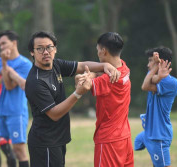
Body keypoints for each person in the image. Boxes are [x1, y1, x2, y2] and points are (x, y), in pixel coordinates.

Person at [25, 31, 120, 167]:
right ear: (32, 53)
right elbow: (54, 114)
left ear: (55, 49)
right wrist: (77, 93)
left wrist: (104, 66)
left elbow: (81, 66)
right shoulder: (35, 81)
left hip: (57, 140)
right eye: (40, 48)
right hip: (44, 143)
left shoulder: (55, 65)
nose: (45, 52)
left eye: (49, 47)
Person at [75, 32, 134, 167]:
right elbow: (101, 72)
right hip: (124, 137)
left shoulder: (108, 80)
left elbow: (85, 85)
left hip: (109, 139)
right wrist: (95, 72)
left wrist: (81, 78)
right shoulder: (124, 68)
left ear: (103, 51)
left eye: (98, 50)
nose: (97, 54)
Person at [134, 46, 177, 167]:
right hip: (150, 132)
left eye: (150, 61)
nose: (148, 65)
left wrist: (156, 69)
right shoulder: (154, 77)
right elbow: (151, 79)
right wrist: (157, 72)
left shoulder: (171, 82)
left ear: (161, 62)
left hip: (159, 135)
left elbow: (145, 86)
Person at [0, 30, 32, 167]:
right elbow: (7, 82)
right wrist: (5, 65)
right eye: (0, 44)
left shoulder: (25, 64)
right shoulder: (0, 60)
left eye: (4, 43)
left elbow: (10, 86)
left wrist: (7, 67)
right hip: (2, 110)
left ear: (14, 43)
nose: (1, 47)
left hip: (16, 111)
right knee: (7, 149)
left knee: (19, 150)